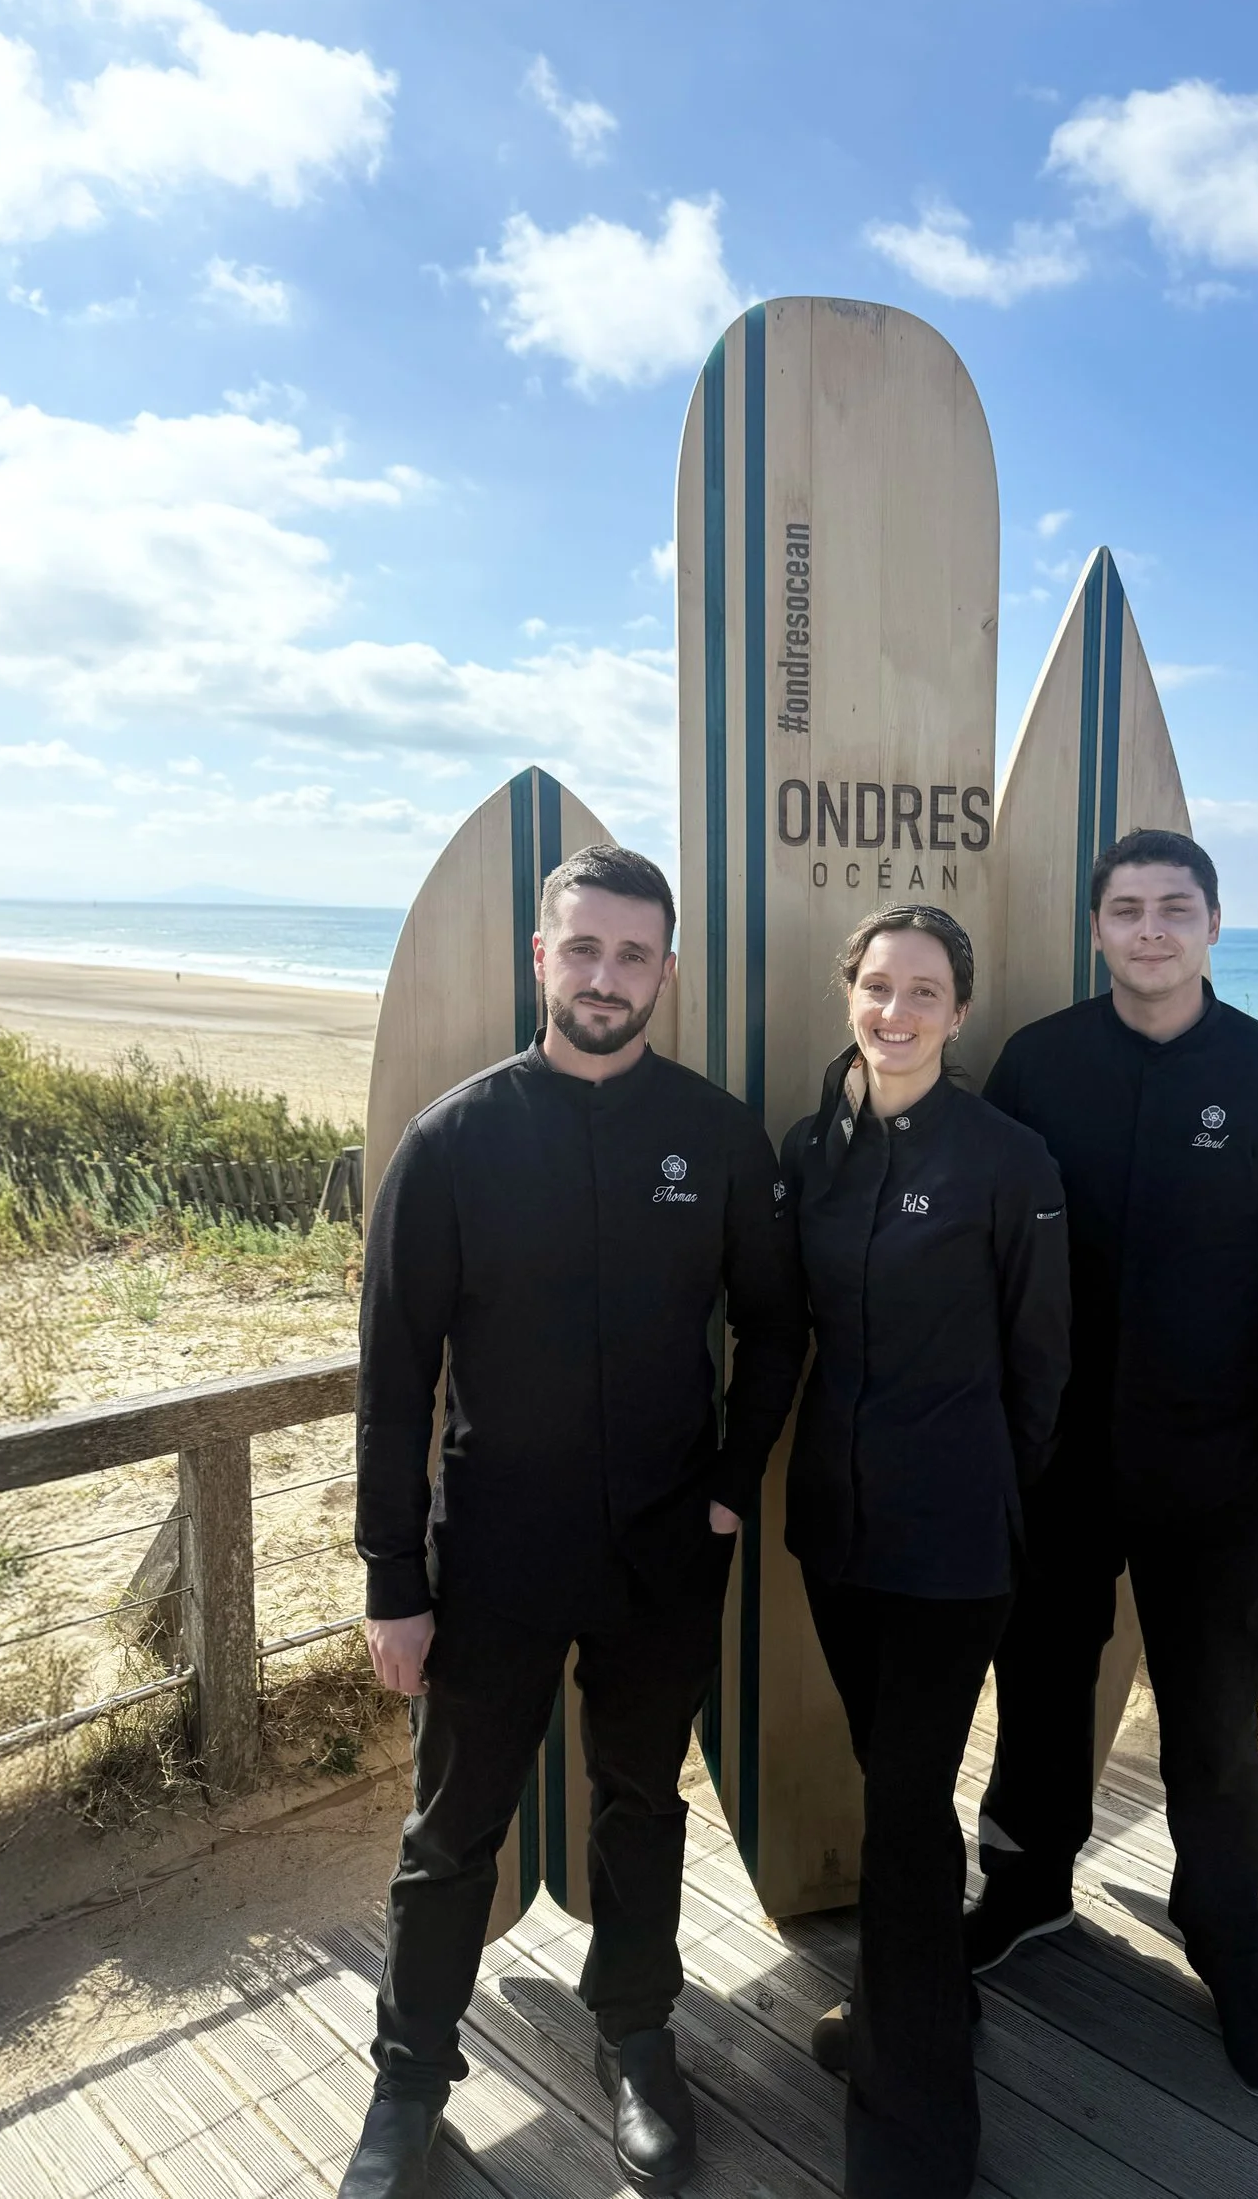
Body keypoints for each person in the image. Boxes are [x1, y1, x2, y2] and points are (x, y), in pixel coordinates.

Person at [342, 844, 807, 2199]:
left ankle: (639, 2031)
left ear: (665, 969)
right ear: (540, 958)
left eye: (634, 953)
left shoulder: (715, 1135)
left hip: (666, 1545)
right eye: (583, 948)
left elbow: (777, 1323)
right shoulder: (455, 1138)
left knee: (639, 1804)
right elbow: (390, 1380)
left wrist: (732, 1474)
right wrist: (392, 1577)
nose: (607, 975)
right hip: (490, 1549)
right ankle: (408, 2077)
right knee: (450, 1832)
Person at [966, 829, 1258, 2099]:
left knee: (1211, 1718)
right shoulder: (1038, 1062)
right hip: (1058, 1455)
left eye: (1171, 909)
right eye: (1125, 909)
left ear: (1213, 924)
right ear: (1095, 928)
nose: (1148, 930)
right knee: (1037, 1683)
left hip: (1213, 1465)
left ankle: (1228, 1937)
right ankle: (1025, 1888)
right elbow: (987, 1253)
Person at [780, 904, 1071, 2199]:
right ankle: (921, 2004)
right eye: (878, 985)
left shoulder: (1011, 1160)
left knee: (903, 1819)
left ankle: (911, 2135)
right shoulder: (810, 1149)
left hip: (955, 1551)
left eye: (925, 991)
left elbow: (1040, 1361)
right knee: (890, 1788)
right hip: (837, 1539)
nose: (896, 1011)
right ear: (850, 992)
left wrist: (996, 1494)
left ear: (960, 1010)